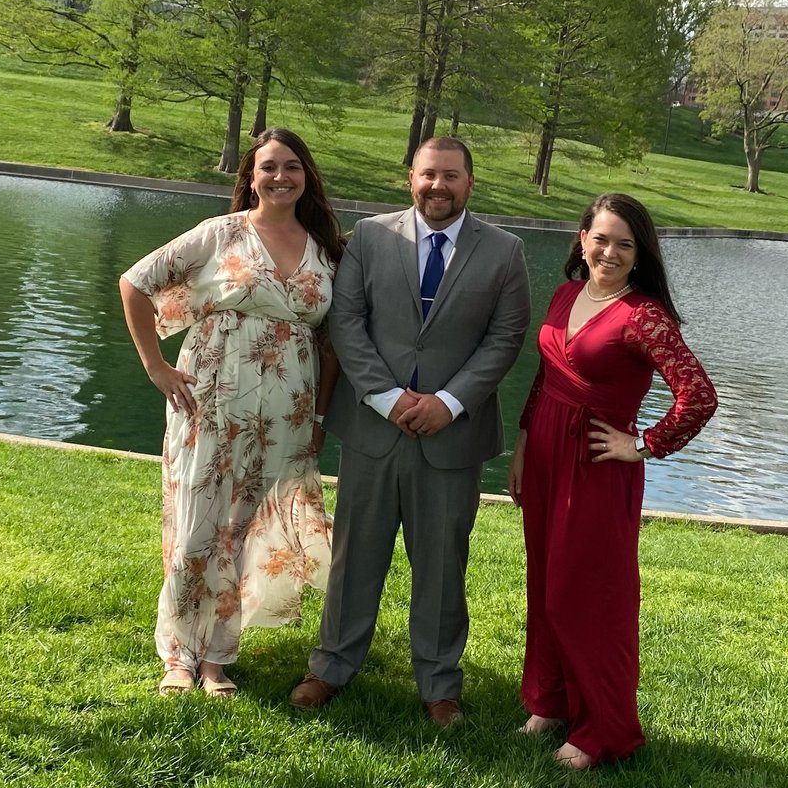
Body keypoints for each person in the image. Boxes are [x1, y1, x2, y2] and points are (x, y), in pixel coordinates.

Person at [289, 136, 531, 725]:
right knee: (356, 557)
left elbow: (506, 338)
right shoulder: (371, 238)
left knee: (443, 566)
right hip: (375, 429)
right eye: (427, 175)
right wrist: (390, 398)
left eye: (450, 176)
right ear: (411, 179)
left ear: (470, 182)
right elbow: (346, 321)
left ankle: (439, 685)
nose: (437, 187)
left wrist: (449, 403)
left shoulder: (504, 252)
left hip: (452, 437)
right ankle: (331, 667)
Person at [119, 127, 342, 697]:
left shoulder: (326, 249)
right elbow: (136, 283)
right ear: (250, 177)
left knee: (245, 532)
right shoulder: (221, 234)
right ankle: (179, 654)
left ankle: (218, 657)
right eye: (268, 167)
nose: (281, 177)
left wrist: (317, 416)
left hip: (285, 415)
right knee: (199, 527)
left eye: (292, 166)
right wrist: (156, 368)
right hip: (210, 402)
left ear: (306, 176)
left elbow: (331, 343)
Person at [508, 192, 718, 769]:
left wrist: (644, 443)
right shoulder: (566, 293)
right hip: (547, 454)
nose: (610, 251)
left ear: (638, 253)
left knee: (589, 596)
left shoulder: (644, 317)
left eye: (624, 244)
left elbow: (699, 396)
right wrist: (524, 443)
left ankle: (604, 728)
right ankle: (549, 702)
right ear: (582, 239)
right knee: (545, 583)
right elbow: (544, 378)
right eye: (601, 238)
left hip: (598, 468)